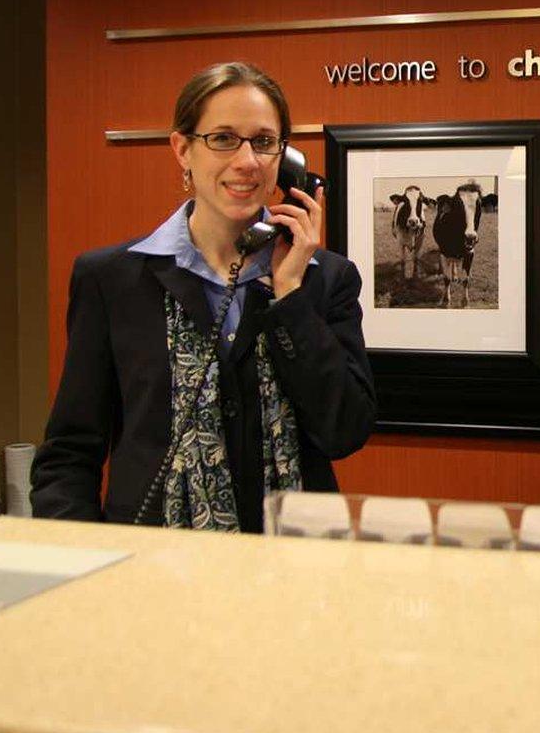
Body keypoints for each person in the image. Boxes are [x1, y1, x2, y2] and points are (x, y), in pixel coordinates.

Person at [31, 62, 376, 532]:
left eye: (264, 141)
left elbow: (344, 431)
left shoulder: (326, 280)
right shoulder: (111, 280)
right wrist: (79, 556)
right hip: (153, 569)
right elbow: (71, 453)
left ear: (285, 158)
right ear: (182, 149)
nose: (247, 161)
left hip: (296, 570)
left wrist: (290, 295)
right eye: (223, 139)